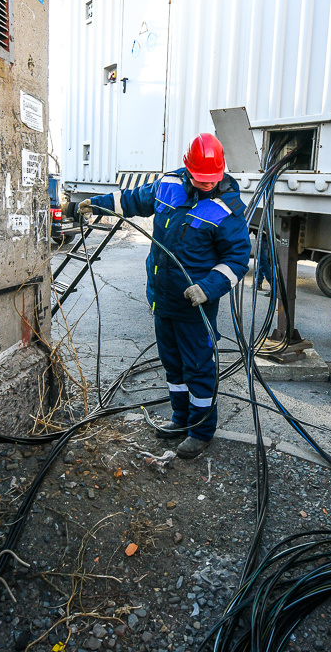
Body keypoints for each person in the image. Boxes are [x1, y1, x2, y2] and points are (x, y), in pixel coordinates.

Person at [79, 133, 250, 459]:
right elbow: (132, 201)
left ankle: (201, 432)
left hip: (194, 305)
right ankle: (180, 420)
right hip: (162, 299)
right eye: (200, 179)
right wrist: (97, 204)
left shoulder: (228, 208)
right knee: (173, 366)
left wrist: (209, 287)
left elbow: (237, 259)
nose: (205, 185)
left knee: (198, 368)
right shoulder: (169, 183)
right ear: (188, 169)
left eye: (210, 181)